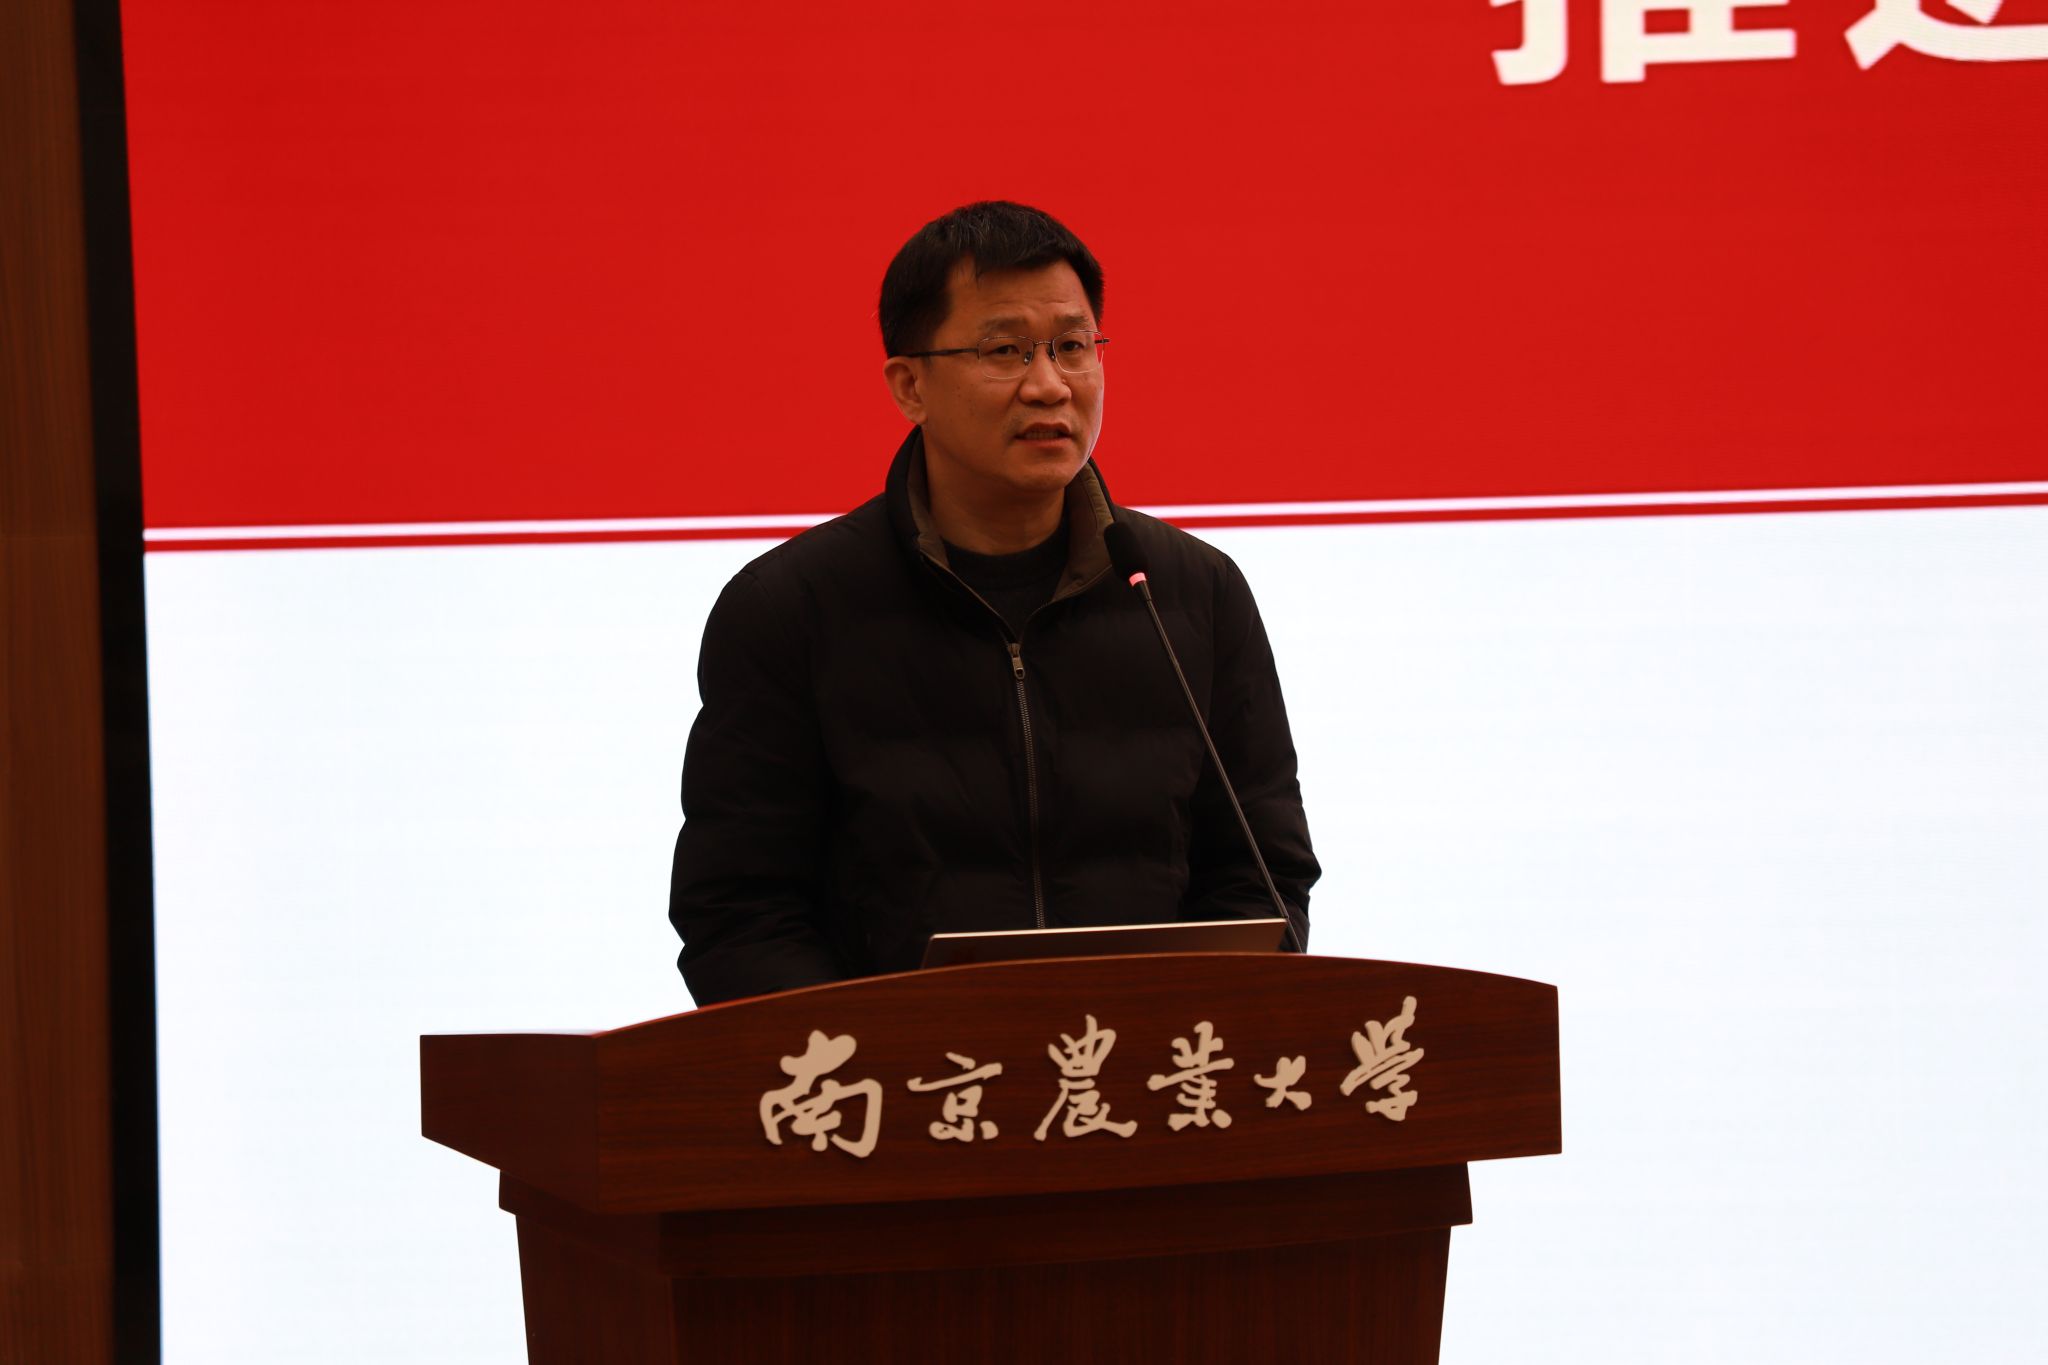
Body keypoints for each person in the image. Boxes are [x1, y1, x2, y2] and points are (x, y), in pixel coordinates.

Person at [668, 201, 1317, 1006]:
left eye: (1072, 347)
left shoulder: (1191, 592)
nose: (1049, 385)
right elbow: (739, 914)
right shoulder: (789, 609)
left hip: (1147, 1066)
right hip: (895, 1074)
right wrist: (869, 1062)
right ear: (910, 385)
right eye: (1004, 350)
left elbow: (1263, 877)